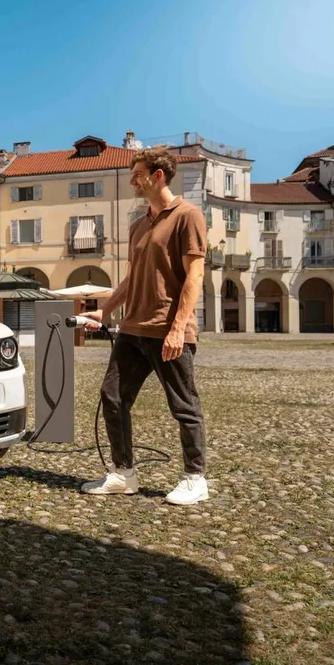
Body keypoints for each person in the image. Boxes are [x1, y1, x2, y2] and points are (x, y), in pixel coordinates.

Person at [78, 147, 209, 505]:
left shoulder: (187, 216)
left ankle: (195, 478)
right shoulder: (139, 224)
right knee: (113, 396)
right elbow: (132, 279)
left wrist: (179, 327)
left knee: (184, 406)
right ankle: (123, 474)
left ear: (158, 175)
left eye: (138, 174)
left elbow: (194, 275)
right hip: (132, 329)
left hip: (168, 329)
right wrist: (105, 312)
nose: (133, 180)